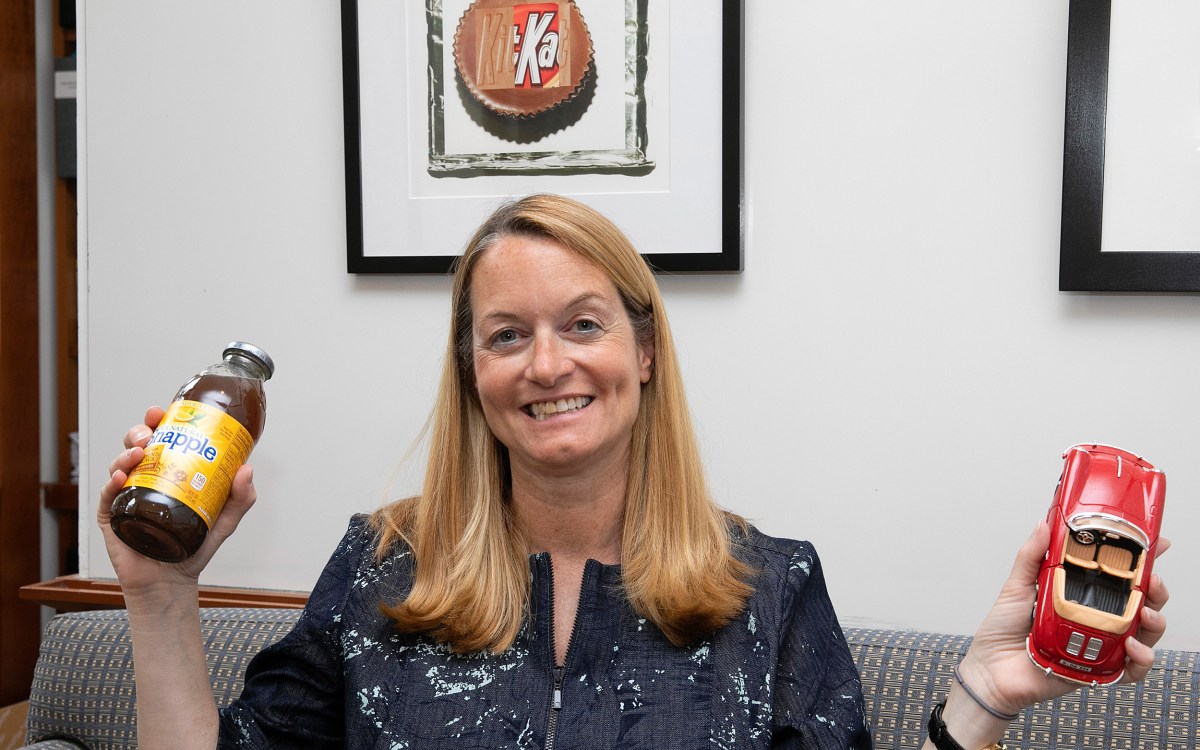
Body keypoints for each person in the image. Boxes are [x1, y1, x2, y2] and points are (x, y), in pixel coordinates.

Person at [99, 194, 1170, 750]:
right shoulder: (380, 569)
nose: (548, 363)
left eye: (583, 324)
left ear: (645, 354)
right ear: (472, 371)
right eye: (507, 335)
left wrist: (984, 695)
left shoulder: (772, 589)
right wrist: (160, 596)